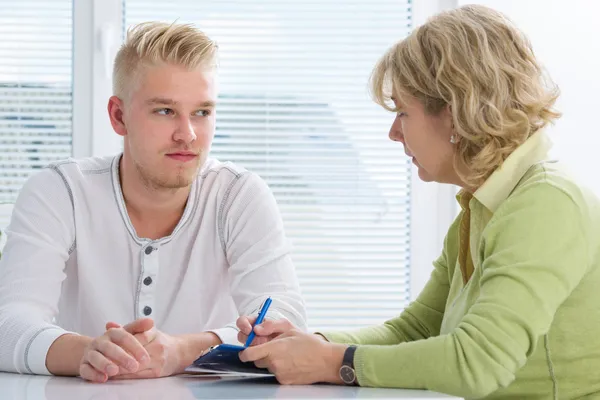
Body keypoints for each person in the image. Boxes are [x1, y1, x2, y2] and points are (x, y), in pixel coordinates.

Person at [235, 5, 600, 399]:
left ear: (456, 113)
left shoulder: (545, 204)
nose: (394, 133)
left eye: (403, 112)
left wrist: (330, 361)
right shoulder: (482, 209)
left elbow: (476, 363)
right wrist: (307, 342)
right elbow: (413, 331)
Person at [0, 22, 306, 383]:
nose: (187, 134)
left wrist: (182, 351)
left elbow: (286, 327)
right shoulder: (58, 191)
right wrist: (89, 353)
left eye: (202, 112)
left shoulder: (238, 196)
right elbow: (8, 324)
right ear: (119, 116)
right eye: (165, 111)